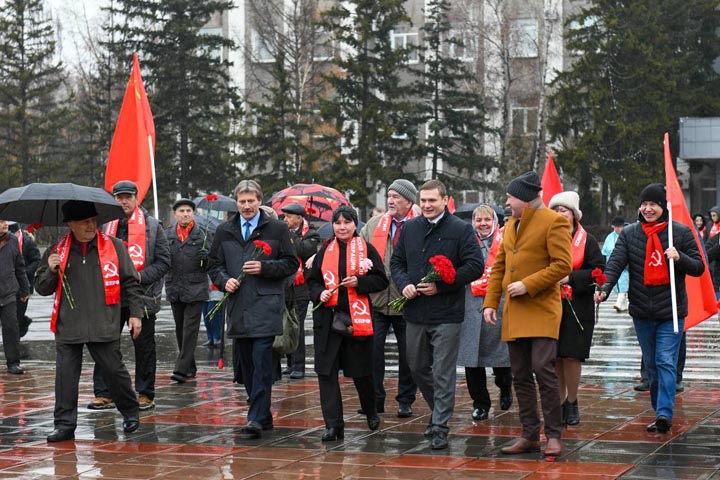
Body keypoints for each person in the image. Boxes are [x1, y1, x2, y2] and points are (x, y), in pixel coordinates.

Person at [595, 183, 704, 434]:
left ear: (663, 207)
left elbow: (699, 267)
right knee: (652, 365)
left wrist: (680, 257)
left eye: (653, 204)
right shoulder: (630, 234)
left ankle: (665, 412)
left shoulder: (681, 233)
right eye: (644, 204)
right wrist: (604, 288)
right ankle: (659, 410)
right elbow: (615, 264)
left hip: (671, 312)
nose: (647, 208)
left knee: (665, 361)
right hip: (642, 312)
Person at [34, 201, 144, 442]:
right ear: (70, 225)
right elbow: (41, 288)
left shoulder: (114, 246)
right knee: (65, 377)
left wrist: (136, 314)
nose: (91, 226)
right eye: (85, 222)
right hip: (68, 324)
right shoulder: (57, 249)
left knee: (114, 371)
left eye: (94, 221)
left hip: (103, 321)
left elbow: (131, 282)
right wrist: (51, 270)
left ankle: (130, 412)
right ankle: (64, 425)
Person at [483, 171, 572, 457]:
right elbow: (499, 266)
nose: (507, 202)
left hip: (542, 309)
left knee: (543, 371)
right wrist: (489, 302)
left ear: (524, 197)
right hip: (514, 312)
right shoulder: (510, 224)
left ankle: (554, 435)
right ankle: (530, 434)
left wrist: (528, 284)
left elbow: (562, 265)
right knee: (519, 375)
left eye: (510, 197)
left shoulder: (554, 221)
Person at [391, 179, 485, 450]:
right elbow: (397, 262)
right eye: (423, 201)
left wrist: (443, 284)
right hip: (415, 311)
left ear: (445, 200)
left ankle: (440, 426)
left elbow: (475, 266)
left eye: (432, 200)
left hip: (446, 312)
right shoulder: (410, 228)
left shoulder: (460, 229)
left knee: (443, 371)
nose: (427, 205)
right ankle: (438, 410)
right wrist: (405, 283)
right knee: (417, 366)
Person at [209, 180, 298, 439]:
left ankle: (255, 418)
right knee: (245, 365)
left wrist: (265, 268)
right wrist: (225, 281)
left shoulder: (277, 228)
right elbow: (214, 265)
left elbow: (291, 263)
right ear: (236, 202)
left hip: (266, 305)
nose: (247, 206)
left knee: (261, 362)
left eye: (251, 201)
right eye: (242, 201)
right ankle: (263, 414)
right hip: (238, 306)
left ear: (260, 200)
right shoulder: (225, 230)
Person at [307, 205, 389, 441]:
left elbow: (381, 280)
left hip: (356, 319)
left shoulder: (366, 249)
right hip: (328, 320)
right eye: (338, 223)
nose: (342, 227)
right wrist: (319, 293)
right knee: (326, 373)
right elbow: (312, 282)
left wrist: (359, 282)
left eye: (347, 222)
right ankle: (333, 425)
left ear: (355, 225)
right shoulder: (323, 252)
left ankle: (371, 410)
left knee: (361, 372)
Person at [89, 180, 170, 411]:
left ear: (136, 198)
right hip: (111, 295)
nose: (123, 201)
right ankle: (104, 393)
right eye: (119, 197)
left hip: (142, 297)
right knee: (105, 344)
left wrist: (140, 277)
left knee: (144, 348)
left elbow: (165, 262)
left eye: (128, 197)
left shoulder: (153, 226)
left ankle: (145, 393)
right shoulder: (105, 225)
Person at [359, 179, 419, 418]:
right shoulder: (374, 225)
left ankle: (405, 399)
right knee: (372, 352)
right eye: (389, 196)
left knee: (409, 356)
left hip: (408, 301)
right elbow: (356, 249)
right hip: (377, 300)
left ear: (409, 201)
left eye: (396, 197)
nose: (391, 201)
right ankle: (375, 399)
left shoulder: (419, 225)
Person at [548, 192, 605, 426]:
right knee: (555, 357)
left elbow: (599, 270)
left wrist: (570, 277)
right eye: (555, 210)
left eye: (564, 210)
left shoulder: (587, 240)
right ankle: (559, 402)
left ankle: (572, 401)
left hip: (578, 306)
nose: (559, 214)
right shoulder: (546, 237)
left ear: (574, 214)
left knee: (572, 356)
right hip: (550, 305)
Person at [457, 204, 512, 422]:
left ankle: (506, 386)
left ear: (495, 221)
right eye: (478, 220)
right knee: (472, 359)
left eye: (487, 220)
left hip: (499, 303)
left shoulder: (505, 240)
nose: (482, 224)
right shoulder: (466, 241)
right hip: (470, 305)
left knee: (502, 358)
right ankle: (480, 403)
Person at [165, 198, 210, 383]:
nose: (185, 214)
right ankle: (190, 366)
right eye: (181, 211)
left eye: (188, 211)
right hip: (175, 287)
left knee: (190, 329)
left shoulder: (203, 235)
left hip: (196, 287)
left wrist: (207, 257)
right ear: (175, 214)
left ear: (193, 214)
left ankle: (181, 369)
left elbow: (214, 260)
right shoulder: (167, 234)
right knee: (180, 329)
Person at [281, 202, 320, 380]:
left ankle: (299, 365)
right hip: (286, 284)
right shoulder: (284, 233)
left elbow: (302, 250)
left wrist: (290, 235)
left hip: (302, 287)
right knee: (287, 324)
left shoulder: (311, 234)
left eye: (289, 217)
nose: (285, 220)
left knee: (298, 325)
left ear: (299, 218)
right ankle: (289, 362)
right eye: (284, 216)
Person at [0, 219, 29, 374]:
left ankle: (13, 362)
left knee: (11, 328)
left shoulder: (12, 240)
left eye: (5, 221)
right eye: (1, 221)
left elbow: (20, 266)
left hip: (8, 292)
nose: (5, 224)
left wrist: (25, 289)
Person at [8, 222, 40, 338]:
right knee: (9, 314)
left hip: (24, 284)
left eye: (13, 234)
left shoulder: (27, 242)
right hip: (9, 285)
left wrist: (25, 272)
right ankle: (13, 338)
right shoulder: (5, 242)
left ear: (18, 232)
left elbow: (36, 260)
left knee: (18, 314)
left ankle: (22, 325)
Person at [602, 217, 630, 313]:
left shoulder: (628, 235)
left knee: (623, 284)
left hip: (625, 267)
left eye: (620, 227)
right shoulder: (609, 238)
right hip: (612, 266)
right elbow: (604, 252)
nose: (618, 229)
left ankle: (619, 303)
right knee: (616, 285)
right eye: (616, 227)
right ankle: (625, 303)